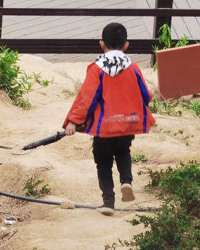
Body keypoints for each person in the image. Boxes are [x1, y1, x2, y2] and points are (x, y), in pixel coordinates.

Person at [63, 22, 156, 216]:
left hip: (104, 127)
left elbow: (87, 98)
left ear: (101, 44)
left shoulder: (97, 69)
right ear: (126, 45)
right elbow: (146, 95)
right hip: (128, 124)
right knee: (123, 152)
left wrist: (73, 121)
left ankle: (108, 201)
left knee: (103, 161)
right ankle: (126, 182)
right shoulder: (133, 68)